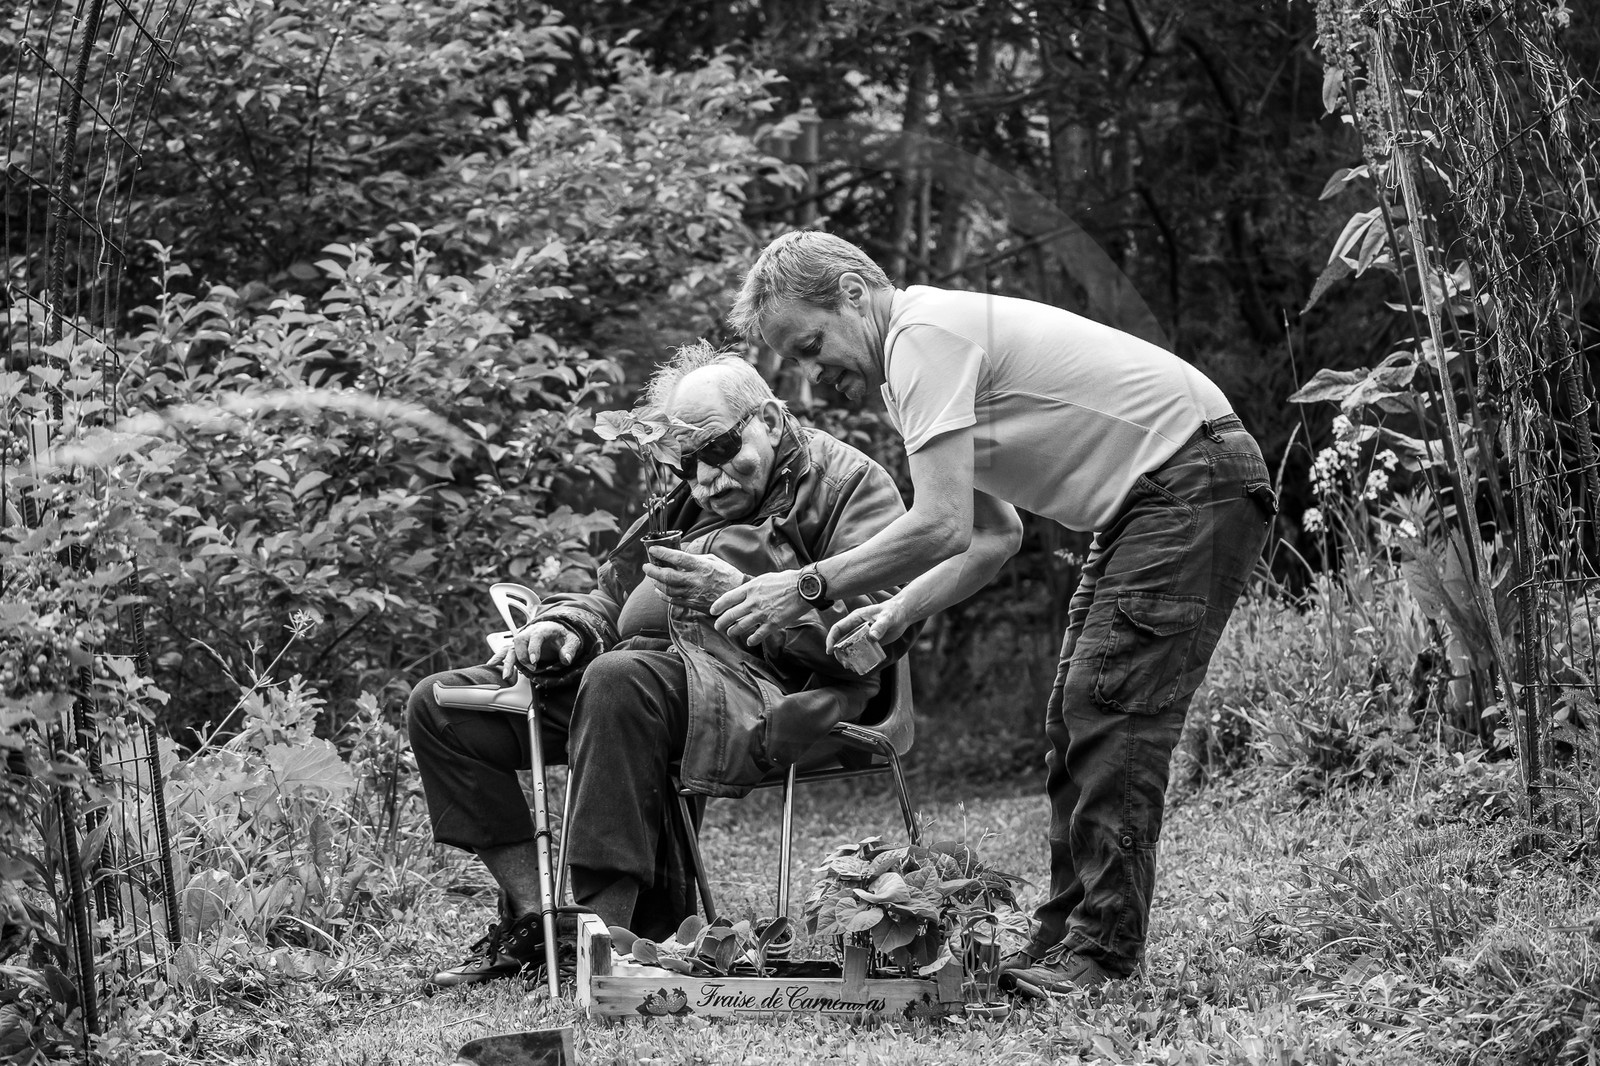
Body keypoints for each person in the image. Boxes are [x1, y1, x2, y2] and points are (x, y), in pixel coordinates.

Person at [711, 231, 1276, 995]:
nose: (814, 377)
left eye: (811, 346)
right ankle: (1064, 941)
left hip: (1189, 480)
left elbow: (939, 523)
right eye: (799, 363)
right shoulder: (913, 362)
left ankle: (1101, 955)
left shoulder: (922, 338)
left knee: (1112, 712)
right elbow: (993, 535)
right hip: (1154, 496)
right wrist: (890, 616)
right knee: (1076, 717)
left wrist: (807, 586)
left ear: (852, 291)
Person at [406, 341, 914, 988]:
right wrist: (563, 626)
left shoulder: (848, 485)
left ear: (772, 420)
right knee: (442, 705)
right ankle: (543, 927)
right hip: (635, 683)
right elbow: (611, 591)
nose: (706, 480)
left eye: (720, 452)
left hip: (760, 691)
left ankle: (600, 945)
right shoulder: (687, 494)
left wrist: (738, 595)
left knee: (620, 680)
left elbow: (877, 633)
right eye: (688, 462)